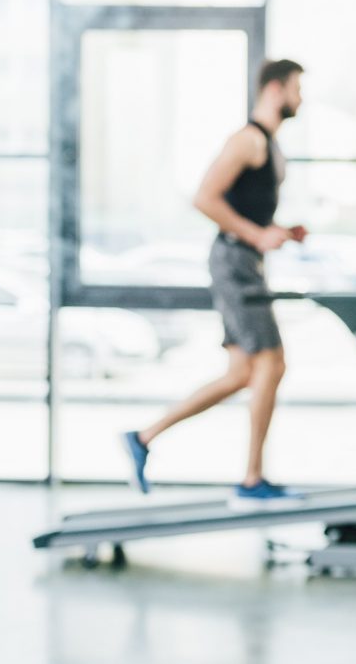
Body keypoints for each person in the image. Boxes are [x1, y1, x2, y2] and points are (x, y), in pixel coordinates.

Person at [120, 59, 307, 503]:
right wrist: (258, 234)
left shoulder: (269, 145)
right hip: (234, 264)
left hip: (243, 260)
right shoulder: (248, 140)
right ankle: (252, 479)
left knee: (243, 372)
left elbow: (248, 209)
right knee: (272, 363)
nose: (302, 98)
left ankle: (143, 438)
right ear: (276, 89)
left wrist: (279, 229)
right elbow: (205, 198)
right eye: (297, 88)